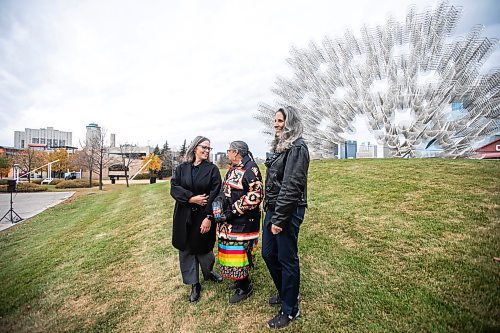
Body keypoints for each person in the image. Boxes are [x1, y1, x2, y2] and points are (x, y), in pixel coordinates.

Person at [261, 106, 310, 329]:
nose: (276, 124)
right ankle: (286, 293)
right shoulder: (282, 148)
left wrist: (279, 220)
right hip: (273, 208)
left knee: (287, 258)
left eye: (280, 120)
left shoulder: (298, 148)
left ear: (290, 123)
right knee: (269, 253)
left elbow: (292, 186)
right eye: (275, 120)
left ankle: (290, 309)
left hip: (288, 210)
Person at [170, 136, 223, 302]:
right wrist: (190, 198)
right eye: (204, 147)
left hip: (203, 215)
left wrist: (209, 217)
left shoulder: (212, 170)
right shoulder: (182, 168)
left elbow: (216, 194)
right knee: (185, 249)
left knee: (204, 249)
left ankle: (208, 272)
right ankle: (194, 284)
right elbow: (174, 188)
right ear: (195, 148)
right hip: (184, 215)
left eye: (209, 148)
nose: (207, 151)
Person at [213, 141, 263, 304]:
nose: (227, 154)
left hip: (243, 222)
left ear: (236, 152)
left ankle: (245, 286)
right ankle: (239, 280)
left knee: (240, 254)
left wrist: (232, 211)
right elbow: (226, 189)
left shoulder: (250, 169)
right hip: (229, 222)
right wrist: (220, 204)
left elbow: (255, 195)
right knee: (231, 252)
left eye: (228, 151)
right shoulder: (234, 168)